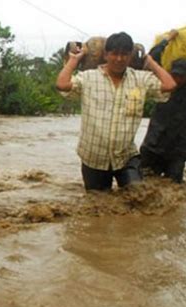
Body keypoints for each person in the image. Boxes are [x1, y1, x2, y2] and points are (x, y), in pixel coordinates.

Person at [56, 32, 176, 191]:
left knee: (139, 197)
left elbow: (170, 85)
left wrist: (150, 62)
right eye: (115, 54)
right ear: (106, 55)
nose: (119, 59)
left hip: (126, 157)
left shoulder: (140, 79)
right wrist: (74, 60)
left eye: (124, 54)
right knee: (97, 205)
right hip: (94, 158)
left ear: (130, 56)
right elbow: (62, 84)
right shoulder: (89, 78)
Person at [140, 29, 186, 183]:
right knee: (142, 187)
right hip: (153, 146)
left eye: (181, 76)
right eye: (174, 75)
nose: (177, 79)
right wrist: (167, 39)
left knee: (173, 191)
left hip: (177, 152)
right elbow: (152, 58)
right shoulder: (164, 85)